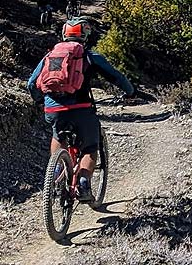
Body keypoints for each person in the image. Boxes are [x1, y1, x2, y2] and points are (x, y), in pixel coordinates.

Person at [27, 17, 136, 201]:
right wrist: (130, 91)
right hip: (82, 109)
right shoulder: (90, 56)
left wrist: (41, 100)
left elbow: (31, 83)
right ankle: (84, 183)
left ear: (64, 34)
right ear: (85, 36)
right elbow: (116, 77)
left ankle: (57, 171)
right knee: (90, 148)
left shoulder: (51, 56)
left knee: (58, 136)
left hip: (53, 110)